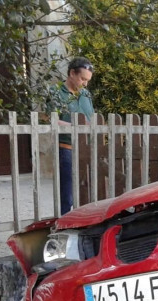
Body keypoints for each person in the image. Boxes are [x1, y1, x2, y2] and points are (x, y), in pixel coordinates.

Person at [49, 57, 95, 214]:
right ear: (71, 73)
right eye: (83, 79)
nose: (85, 83)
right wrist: (76, 127)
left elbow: (91, 119)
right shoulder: (55, 92)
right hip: (66, 148)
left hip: (87, 149)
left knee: (86, 192)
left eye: (87, 80)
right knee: (67, 195)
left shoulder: (86, 94)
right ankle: (65, 226)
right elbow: (51, 121)